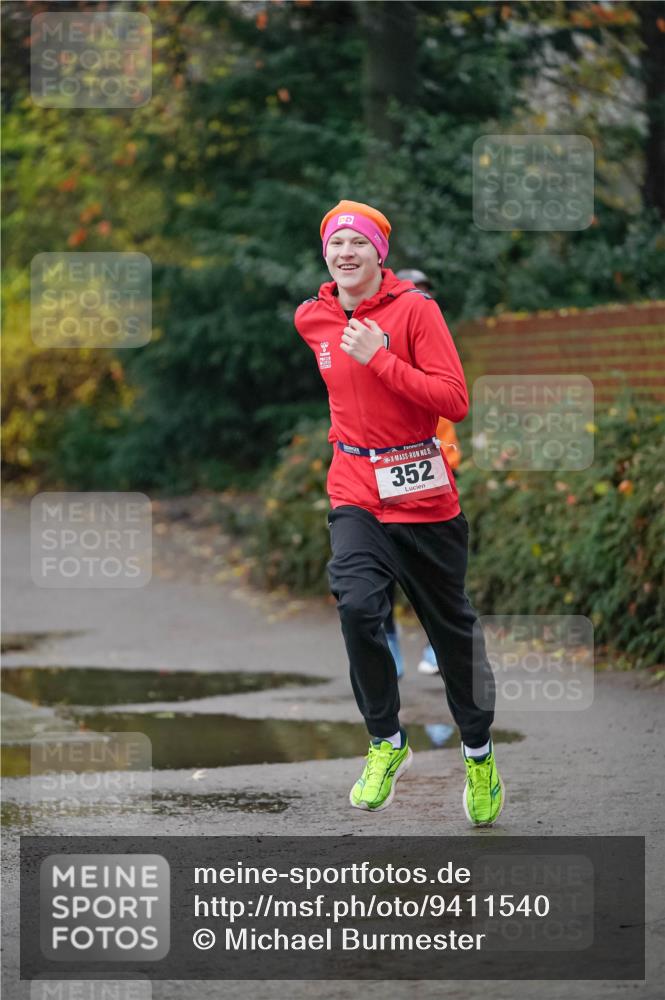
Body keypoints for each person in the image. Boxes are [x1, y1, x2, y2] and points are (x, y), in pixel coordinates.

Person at [294, 200, 504, 825]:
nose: (346, 253)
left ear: (378, 254)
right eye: (337, 244)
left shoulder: (416, 310)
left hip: (424, 495)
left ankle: (479, 751)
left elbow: (454, 400)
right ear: (326, 254)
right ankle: (386, 740)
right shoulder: (313, 318)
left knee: (452, 634)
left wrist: (381, 356)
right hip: (356, 486)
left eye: (359, 243)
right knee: (358, 606)